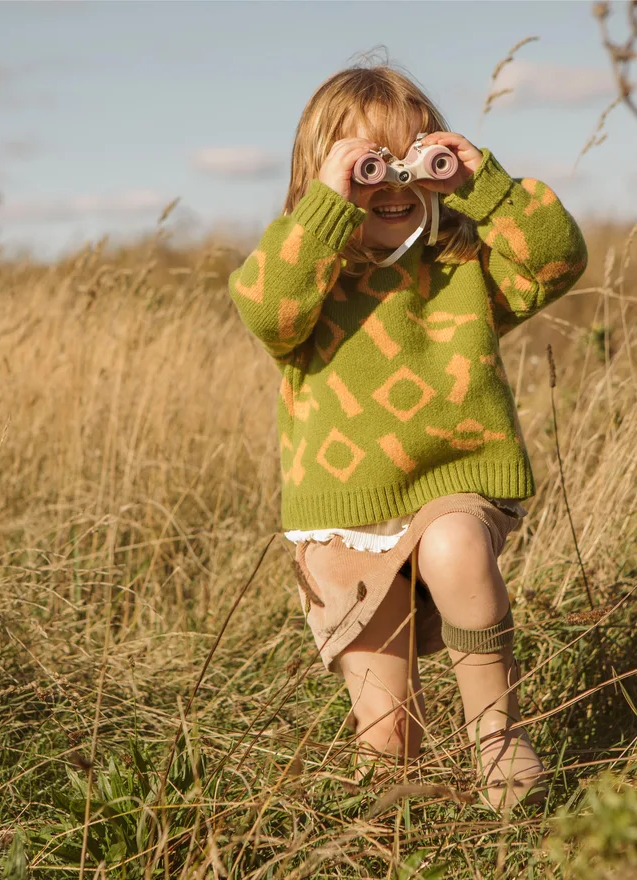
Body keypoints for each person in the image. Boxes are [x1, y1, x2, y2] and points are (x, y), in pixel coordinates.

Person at [228, 63, 588, 810]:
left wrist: (482, 184)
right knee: (385, 733)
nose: (390, 180)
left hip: (452, 485)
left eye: (409, 158)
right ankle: (398, 833)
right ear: (323, 173)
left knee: (454, 542)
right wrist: (330, 210)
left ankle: (498, 735)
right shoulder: (307, 267)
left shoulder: (458, 262)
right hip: (343, 515)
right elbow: (267, 312)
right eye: (366, 164)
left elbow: (557, 259)